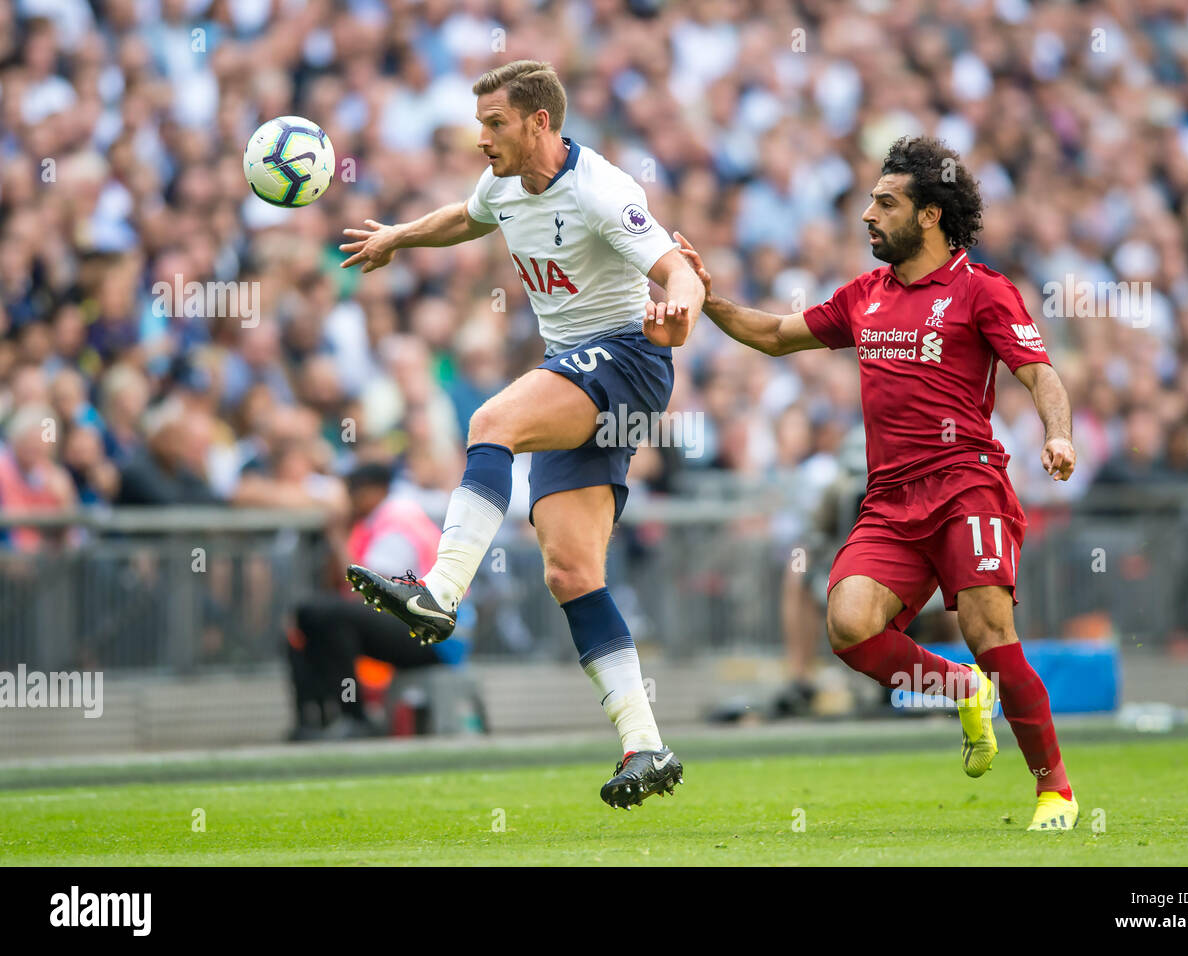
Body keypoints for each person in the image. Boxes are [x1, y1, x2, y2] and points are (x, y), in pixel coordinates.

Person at [676, 136, 1082, 832]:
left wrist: (1057, 432)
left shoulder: (981, 290)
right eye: (870, 200)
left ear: (928, 215)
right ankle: (958, 690)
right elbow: (776, 334)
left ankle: (1055, 791)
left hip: (965, 486)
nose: (868, 214)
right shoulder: (864, 296)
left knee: (990, 633)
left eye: (885, 202)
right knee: (849, 625)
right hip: (891, 501)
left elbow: (1040, 372)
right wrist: (708, 300)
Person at [338, 61, 704, 809]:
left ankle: (439, 590)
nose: (483, 139)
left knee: (490, 421)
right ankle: (646, 743)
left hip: (629, 360)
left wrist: (683, 314)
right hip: (575, 374)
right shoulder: (504, 185)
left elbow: (680, 271)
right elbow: (467, 217)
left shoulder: (604, 189)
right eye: (480, 125)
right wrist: (399, 238)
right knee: (571, 575)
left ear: (541, 122)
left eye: (496, 124)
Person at [288, 462, 455, 739]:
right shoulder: (378, 519)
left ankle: (356, 717)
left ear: (372, 492)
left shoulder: (395, 519)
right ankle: (317, 720)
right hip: (421, 624)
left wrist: (337, 535)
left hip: (437, 635)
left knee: (326, 615)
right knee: (307, 621)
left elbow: (365, 589)